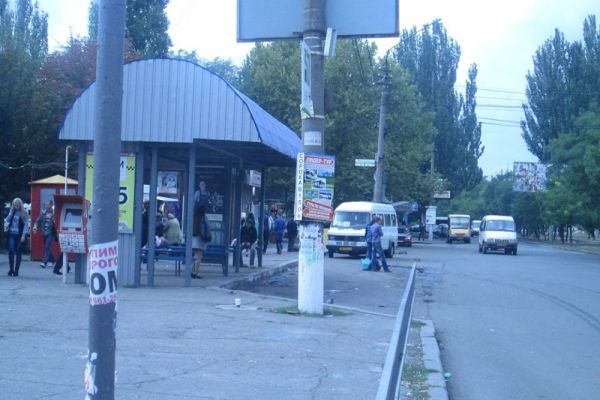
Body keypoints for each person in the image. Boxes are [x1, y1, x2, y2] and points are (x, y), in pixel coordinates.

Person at [4, 198, 30, 277]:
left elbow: (26, 225)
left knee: (18, 252)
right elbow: (7, 220)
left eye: (17, 203)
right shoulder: (12, 212)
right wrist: (11, 212)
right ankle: (11, 269)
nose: (16, 205)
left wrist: (23, 235)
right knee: (11, 251)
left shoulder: (24, 213)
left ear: (20, 204)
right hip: (11, 234)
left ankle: (16, 271)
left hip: (19, 235)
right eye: (15, 203)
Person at [33, 200, 57, 268]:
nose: (46, 206)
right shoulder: (43, 213)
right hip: (44, 232)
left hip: (51, 232)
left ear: (51, 205)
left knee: (47, 247)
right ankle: (52, 260)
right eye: (45, 204)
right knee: (47, 247)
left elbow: (57, 222)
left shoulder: (55, 213)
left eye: (48, 204)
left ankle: (44, 262)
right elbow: (37, 221)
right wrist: (35, 227)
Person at [191, 204, 211, 279]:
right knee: (199, 257)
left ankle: (193, 271)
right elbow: (208, 227)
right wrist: (208, 237)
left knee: (196, 256)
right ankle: (196, 272)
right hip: (201, 239)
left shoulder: (195, 217)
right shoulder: (203, 217)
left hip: (194, 239)